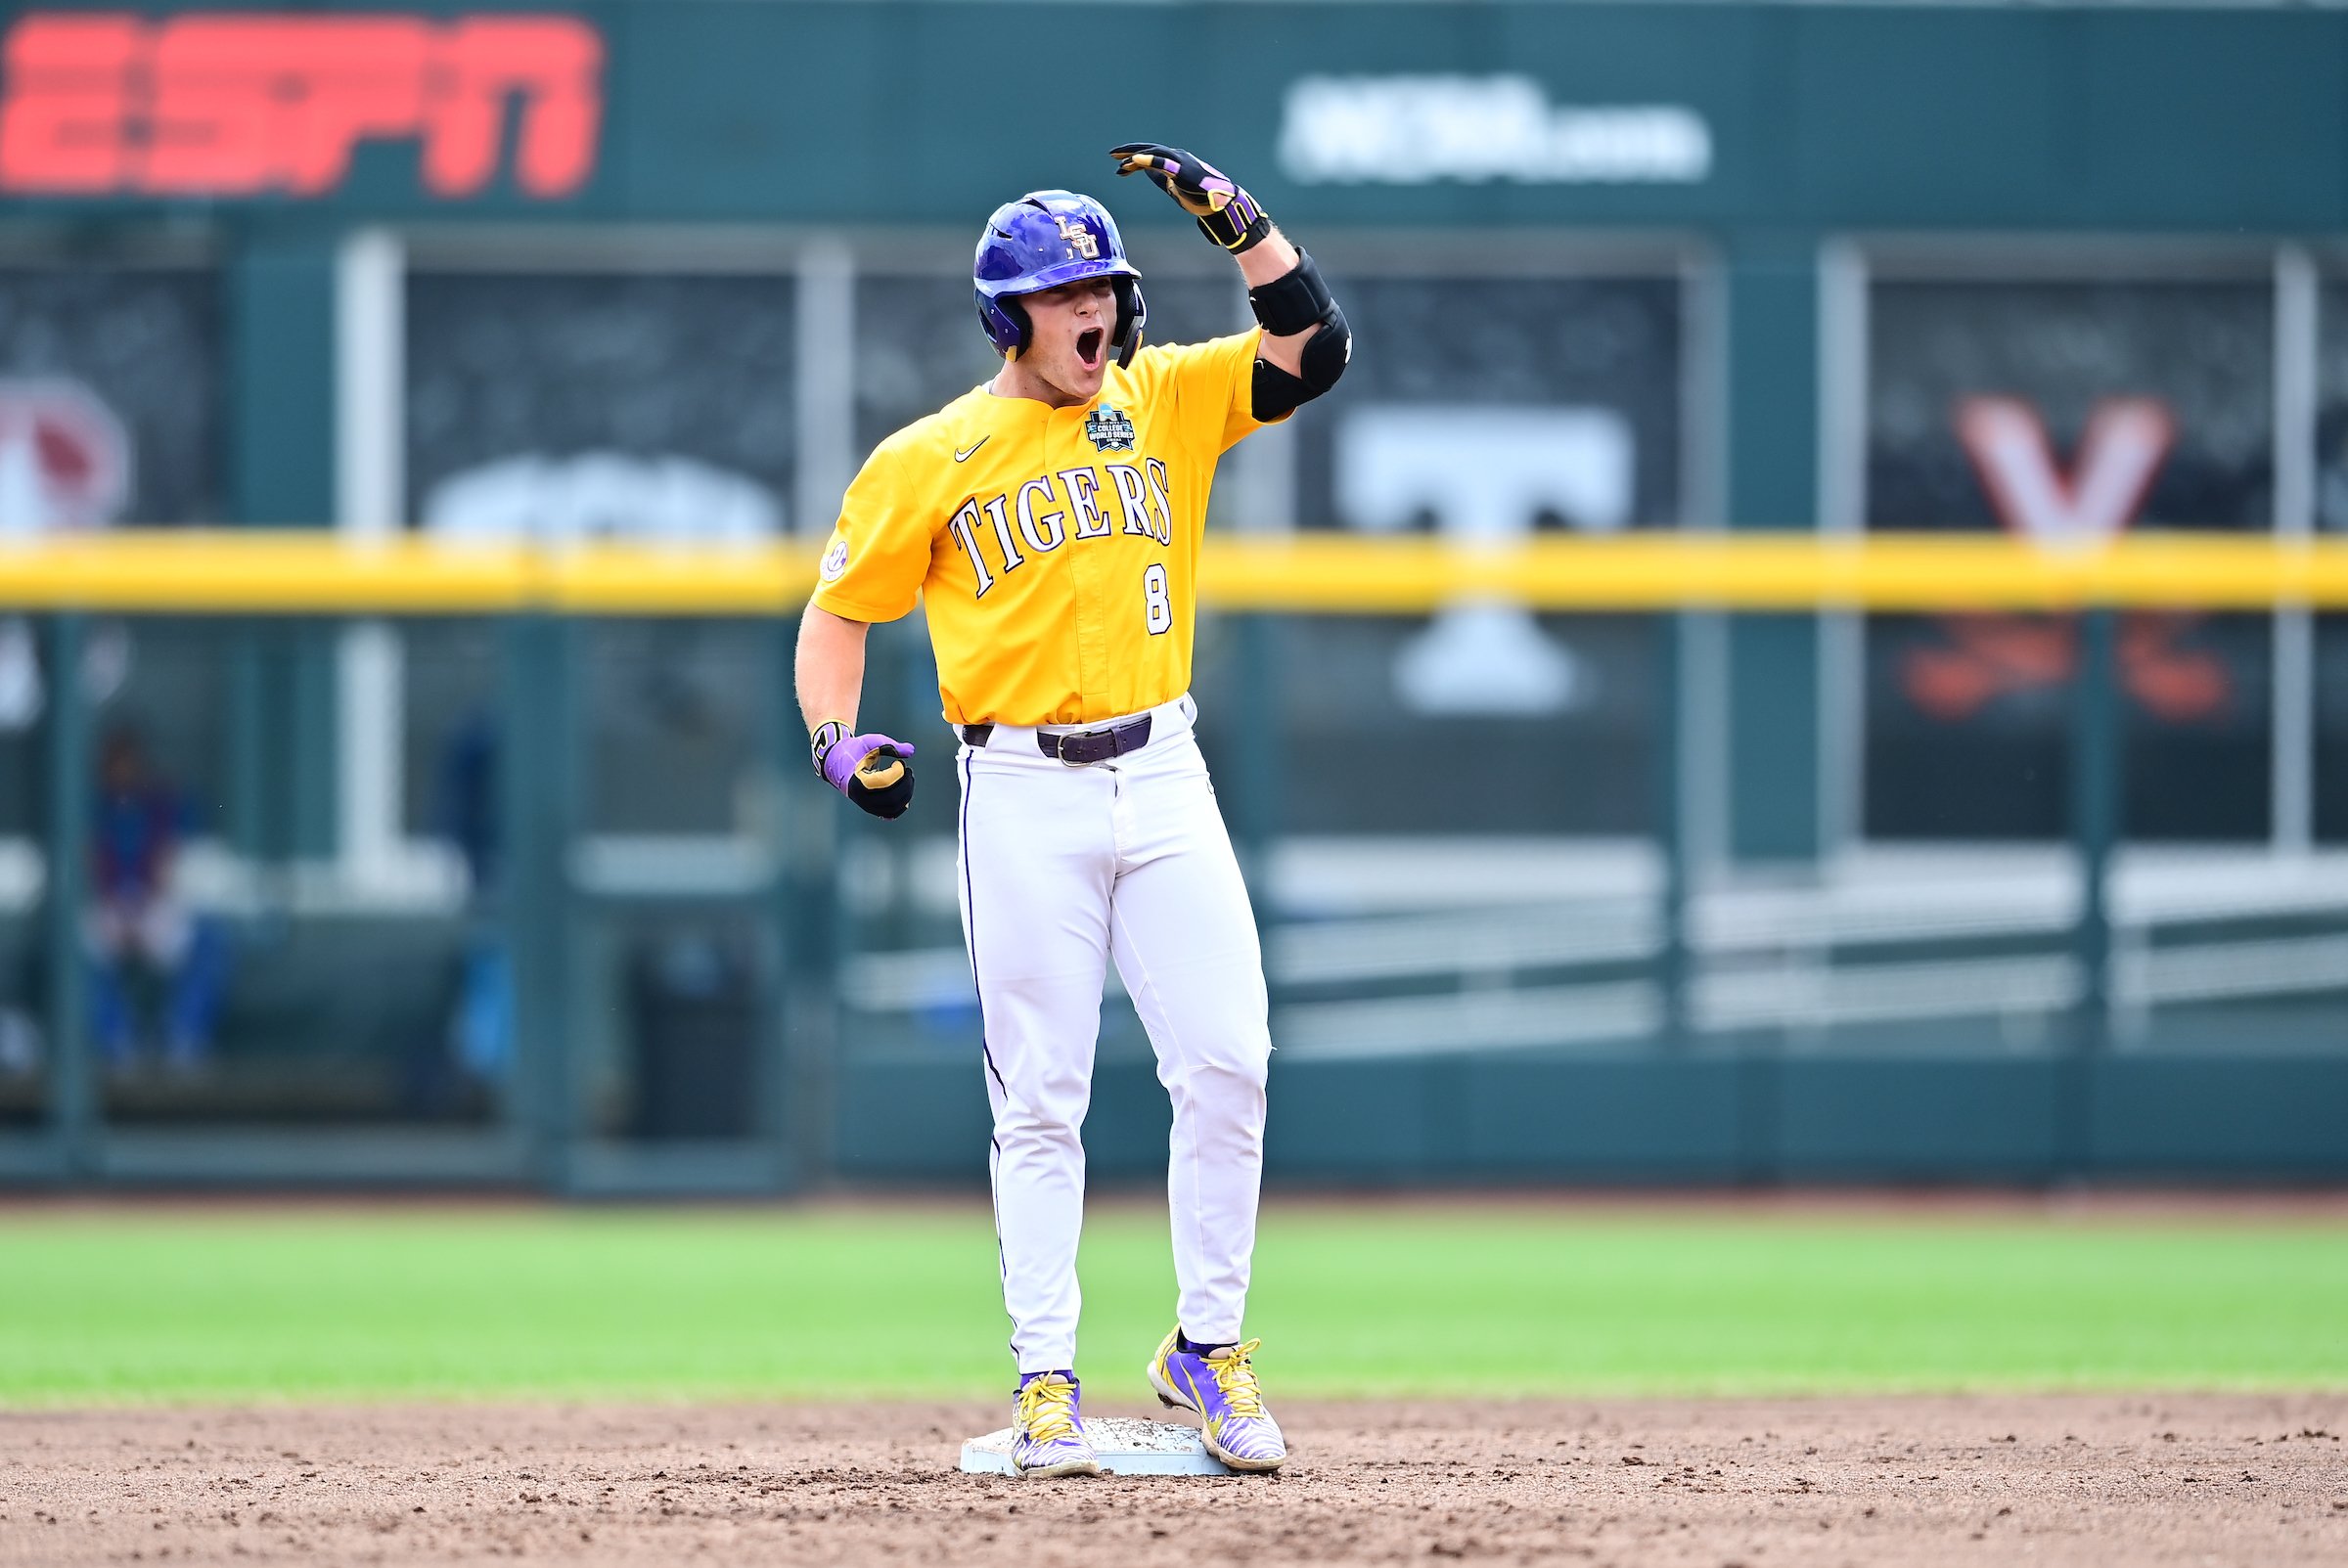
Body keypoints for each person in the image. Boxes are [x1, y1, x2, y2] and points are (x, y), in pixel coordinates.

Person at [794, 144, 1349, 1478]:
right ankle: (1048, 1377)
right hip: (1021, 787)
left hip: (1163, 767)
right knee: (1041, 1095)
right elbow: (839, 615)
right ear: (1009, 316)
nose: (1095, 308)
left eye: (1105, 283)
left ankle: (1205, 1349)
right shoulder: (931, 454)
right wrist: (837, 736)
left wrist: (1241, 223)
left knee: (1230, 1058)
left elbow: (1313, 348)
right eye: (1064, 293)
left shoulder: (1165, 396)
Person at [87, 727, 222, 1068]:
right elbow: (84, 864)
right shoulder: (90, 806)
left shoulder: (160, 804)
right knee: (73, 950)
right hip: (107, 908)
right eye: (115, 764)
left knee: (211, 941)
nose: (122, 771)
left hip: (154, 907)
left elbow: (176, 853)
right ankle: (117, 1043)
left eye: (129, 763)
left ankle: (182, 1036)